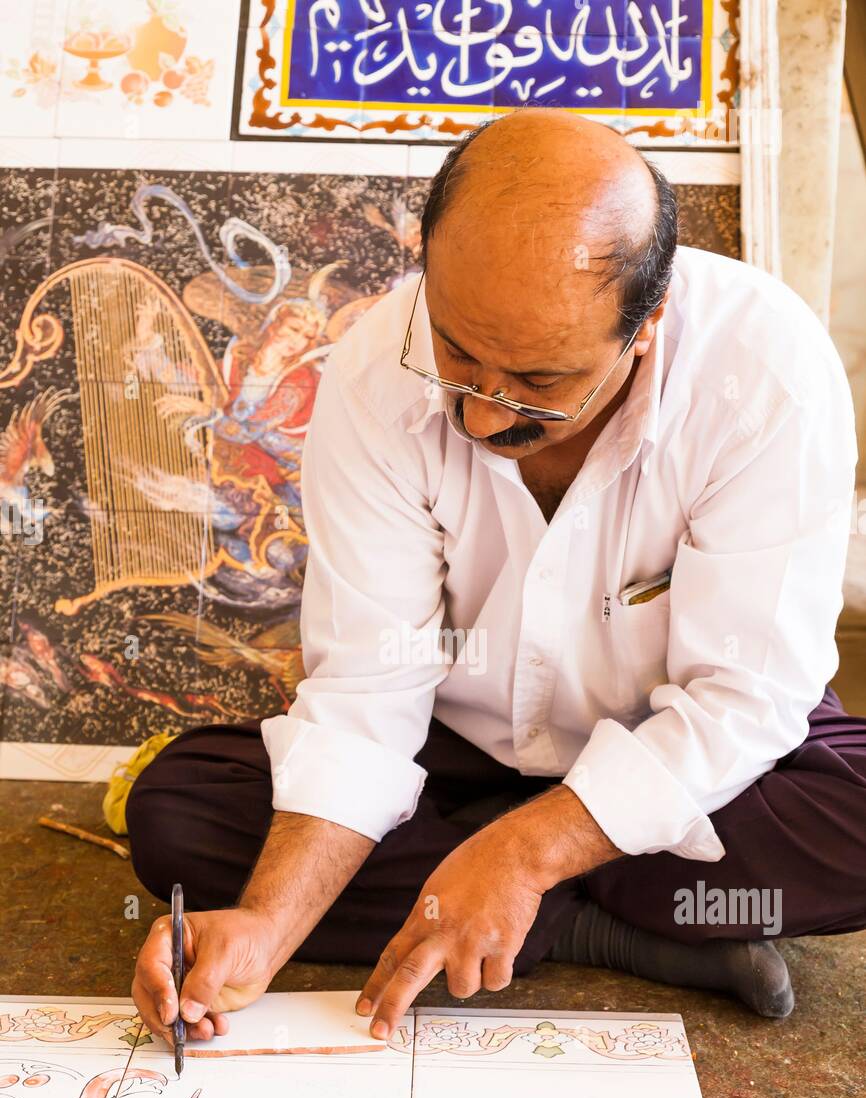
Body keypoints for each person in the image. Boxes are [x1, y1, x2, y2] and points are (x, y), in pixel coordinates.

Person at [127, 109, 863, 1049]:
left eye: (537, 382)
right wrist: (269, 925)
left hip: (670, 735)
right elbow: (370, 689)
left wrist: (526, 849)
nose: (479, 418)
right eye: (458, 354)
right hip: (461, 742)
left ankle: (498, 882)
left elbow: (744, 701)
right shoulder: (374, 369)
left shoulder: (762, 375)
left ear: (647, 326)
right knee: (180, 811)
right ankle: (607, 927)